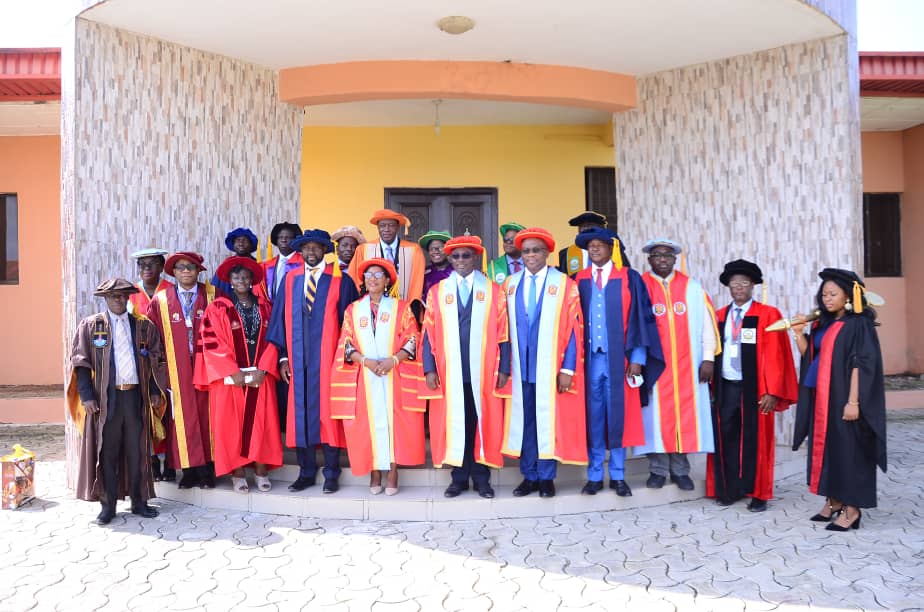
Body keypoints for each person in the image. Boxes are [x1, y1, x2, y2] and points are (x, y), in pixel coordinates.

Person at [792, 268, 886, 531]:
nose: (827, 298)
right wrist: (799, 334)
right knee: (829, 451)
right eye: (824, 294)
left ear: (848, 295)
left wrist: (854, 401)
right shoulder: (824, 322)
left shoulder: (859, 324)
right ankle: (833, 500)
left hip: (844, 398)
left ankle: (853, 508)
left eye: (833, 293)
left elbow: (861, 364)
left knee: (850, 452)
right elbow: (810, 357)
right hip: (821, 397)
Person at [66, 278, 166, 525]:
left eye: (123, 296)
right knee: (107, 452)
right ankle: (107, 506)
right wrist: (87, 396)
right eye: (114, 296)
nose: (119, 300)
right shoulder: (91, 326)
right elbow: (81, 363)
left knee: (137, 450)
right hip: (106, 399)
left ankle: (139, 502)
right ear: (105, 298)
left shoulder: (143, 326)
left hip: (135, 397)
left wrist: (154, 390)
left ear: (129, 298)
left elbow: (156, 359)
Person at [267, 229, 359, 493]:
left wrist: (345, 358)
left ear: (324, 251)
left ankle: (331, 473)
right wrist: (283, 356)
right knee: (300, 415)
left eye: (315, 248)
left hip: (329, 361)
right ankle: (306, 472)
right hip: (297, 361)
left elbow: (349, 324)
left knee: (328, 416)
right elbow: (279, 320)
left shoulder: (341, 281)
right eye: (305, 248)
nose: (310, 252)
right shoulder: (290, 279)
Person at [574, 228, 664, 497]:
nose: (595, 249)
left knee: (618, 416)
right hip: (589, 362)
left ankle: (618, 475)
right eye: (591, 246)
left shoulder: (629, 278)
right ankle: (594, 474)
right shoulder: (578, 280)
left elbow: (640, 320)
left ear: (611, 248)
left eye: (600, 245)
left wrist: (637, 358)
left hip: (620, 361)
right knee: (593, 417)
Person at [420, 235, 511, 499]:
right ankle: (458, 478)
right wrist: (429, 368)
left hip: (483, 371)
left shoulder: (493, 291)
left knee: (480, 421)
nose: (461, 260)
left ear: (476, 257)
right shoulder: (438, 292)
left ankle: (482, 479)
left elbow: (503, 333)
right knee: (456, 423)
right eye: (456, 256)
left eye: (466, 255)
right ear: (449, 259)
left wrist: (504, 367)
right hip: (449, 371)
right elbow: (428, 333)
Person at [707, 260, 798, 511]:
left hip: (755, 390)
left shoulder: (768, 314)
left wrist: (771, 391)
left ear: (753, 286)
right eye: (734, 283)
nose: (738, 287)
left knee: (757, 441)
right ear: (728, 286)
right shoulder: (719, 315)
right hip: (725, 386)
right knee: (725, 438)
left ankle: (759, 493)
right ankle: (729, 489)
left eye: (744, 283)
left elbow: (777, 357)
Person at [502, 227, 587, 498]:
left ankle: (547, 476)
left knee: (546, 420)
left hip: (550, 367)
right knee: (525, 420)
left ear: (547, 252)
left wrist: (568, 367)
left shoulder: (563, 284)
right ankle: (529, 476)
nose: (530, 255)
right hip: (519, 367)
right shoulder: (510, 284)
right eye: (526, 251)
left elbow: (575, 329)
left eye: (536, 250)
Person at [332, 258, 425, 495]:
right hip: (366, 376)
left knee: (395, 423)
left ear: (387, 281)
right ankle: (374, 470)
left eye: (378, 275)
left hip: (394, 375)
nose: (372, 279)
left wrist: (394, 360)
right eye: (368, 275)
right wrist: (366, 362)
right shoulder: (353, 309)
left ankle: (393, 470)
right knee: (368, 424)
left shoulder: (401, 309)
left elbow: (413, 338)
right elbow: (345, 342)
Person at [195, 257, 283, 493]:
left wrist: (263, 369)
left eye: (245, 277)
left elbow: (275, 339)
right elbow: (211, 342)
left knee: (262, 424)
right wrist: (231, 371)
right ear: (230, 281)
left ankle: (261, 470)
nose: (241, 280)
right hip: (230, 378)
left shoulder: (266, 307)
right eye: (236, 277)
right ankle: (238, 472)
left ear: (252, 280)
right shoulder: (218, 308)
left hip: (259, 375)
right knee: (232, 426)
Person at [637, 239, 718, 491]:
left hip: (688, 365)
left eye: (667, 255)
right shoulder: (641, 286)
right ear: (649, 259)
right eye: (657, 255)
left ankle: (681, 471)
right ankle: (658, 470)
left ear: (675, 259)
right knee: (655, 418)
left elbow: (707, 324)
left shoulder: (692, 288)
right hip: (654, 366)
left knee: (685, 416)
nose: (662, 259)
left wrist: (708, 358)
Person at [147, 252, 216, 489]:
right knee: (182, 418)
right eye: (181, 268)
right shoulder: (161, 299)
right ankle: (187, 471)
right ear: (173, 272)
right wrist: (158, 371)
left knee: (208, 415)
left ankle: (208, 469)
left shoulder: (212, 295)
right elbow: (152, 338)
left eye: (191, 267)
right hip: (176, 369)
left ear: (199, 271)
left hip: (207, 366)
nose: (186, 271)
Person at [348, 209, 426, 302]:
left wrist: (413, 305)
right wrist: (364, 303)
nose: (386, 229)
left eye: (391, 225)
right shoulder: (363, 249)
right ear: (377, 227)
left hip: (404, 307)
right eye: (382, 225)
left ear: (398, 227)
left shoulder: (413, 250)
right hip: (372, 307)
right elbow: (355, 279)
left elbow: (417, 281)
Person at [212, 227, 259, 298]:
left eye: (245, 241)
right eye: (238, 240)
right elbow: (215, 289)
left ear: (251, 244)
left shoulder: (258, 265)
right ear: (233, 244)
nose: (241, 243)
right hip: (227, 305)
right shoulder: (226, 265)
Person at [262, 222, 303, 303]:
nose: (283, 240)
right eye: (280, 237)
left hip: (296, 309)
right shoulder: (267, 265)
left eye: (288, 237)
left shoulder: (303, 263)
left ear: (295, 240)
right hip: (272, 310)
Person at [557, 212, 608, 277]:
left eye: (590, 225)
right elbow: (563, 280)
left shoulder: (613, 251)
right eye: (583, 226)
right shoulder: (566, 253)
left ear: (600, 229)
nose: (586, 229)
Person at [128, 248, 173, 315]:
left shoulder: (172, 290)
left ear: (161, 267)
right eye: (142, 264)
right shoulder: (132, 292)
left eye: (152, 263)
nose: (147, 267)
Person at [419, 230, 453, 299]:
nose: (436, 252)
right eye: (431, 249)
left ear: (447, 251)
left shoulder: (456, 272)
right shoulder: (423, 273)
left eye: (440, 248)